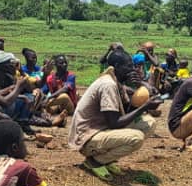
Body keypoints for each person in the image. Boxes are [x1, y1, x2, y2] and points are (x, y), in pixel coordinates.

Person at [68, 48, 161, 178]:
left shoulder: (116, 82)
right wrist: (143, 107)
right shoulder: (108, 84)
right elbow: (115, 123)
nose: (132, 70)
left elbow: (125, 113)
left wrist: (140, 90)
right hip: (88, 138)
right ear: (117, 66)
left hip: (101, 130)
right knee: (136, 137)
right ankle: (94, 162)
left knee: (148, 123)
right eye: (128, 66)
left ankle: (106, 159)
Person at [39, 54, 77, 125]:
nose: (64, 64)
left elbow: (65, 89)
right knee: (39, 95)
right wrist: (40, 97)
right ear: (55, 64)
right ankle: (58, 119)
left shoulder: (70, 76)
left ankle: (45, 108)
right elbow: (44, 91)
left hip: (69, 107)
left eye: (65, 62)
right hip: (56, 106)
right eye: (61, 63)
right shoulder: (50, 78)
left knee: (64, 96)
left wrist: (49, 98)